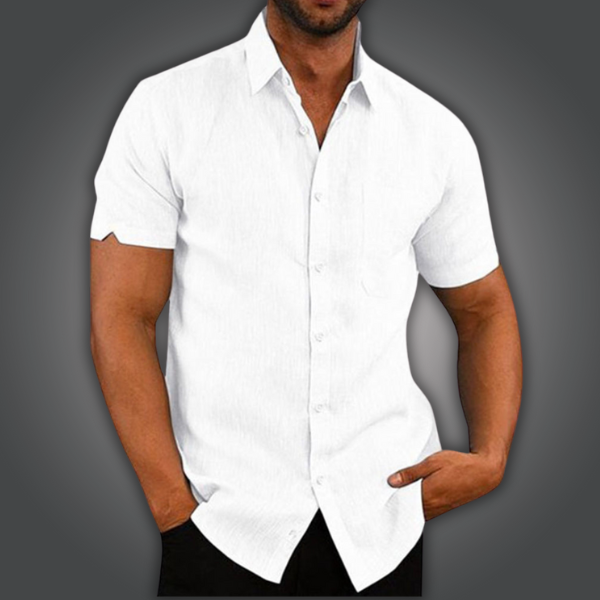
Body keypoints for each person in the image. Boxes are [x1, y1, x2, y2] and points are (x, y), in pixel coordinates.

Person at [89, 0, 522, 596]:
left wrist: (491, 456)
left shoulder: (432, 133)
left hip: (381, 534)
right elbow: (122, 317)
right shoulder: (167, 109)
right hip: (220, 532)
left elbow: (482, 308)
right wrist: (173, 513)